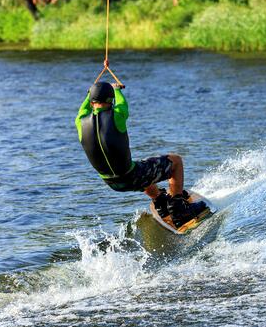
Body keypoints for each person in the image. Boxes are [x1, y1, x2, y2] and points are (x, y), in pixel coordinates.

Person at [75, 81, 207, 228]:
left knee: (142, 167)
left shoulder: (80, 122)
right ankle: (179, 211)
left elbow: (83, 108)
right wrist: (117, 89)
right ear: (110, 100)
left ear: (92, 101)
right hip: (131, 177)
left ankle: (161, 202)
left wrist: (90, 93)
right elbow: (121, 103)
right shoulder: (118, 115)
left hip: (112, 184)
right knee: (175, 161)